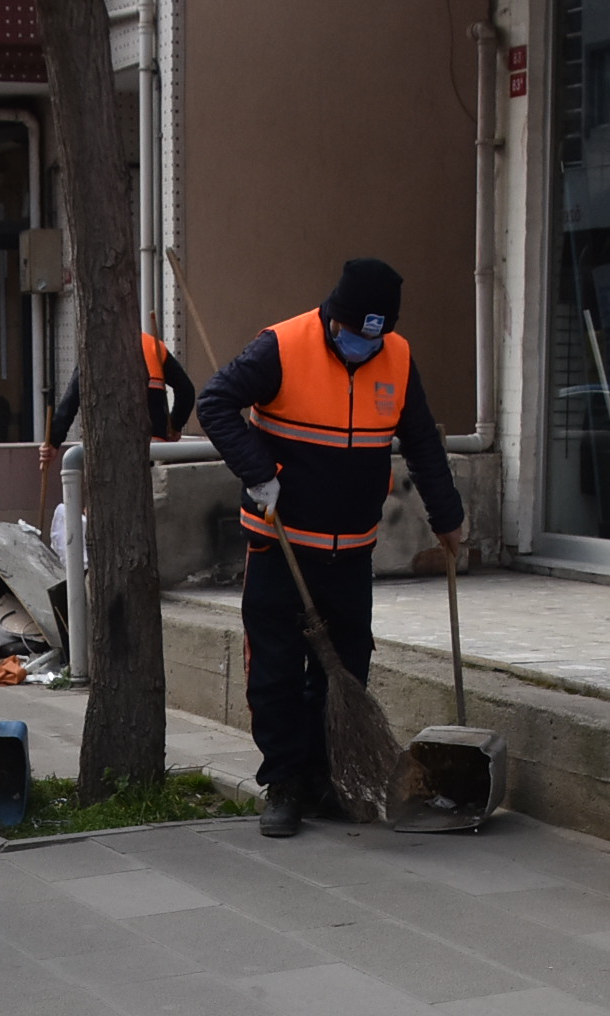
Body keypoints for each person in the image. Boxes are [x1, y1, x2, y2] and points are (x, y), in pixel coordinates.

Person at [198, 258, 465, 840]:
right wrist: (256, 470)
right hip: (280, 545)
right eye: (354, 334)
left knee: (346, 669)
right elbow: (214, 402)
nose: (364, 347)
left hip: (352, 552)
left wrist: (448, 517)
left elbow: (420, 440)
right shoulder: (281, 347)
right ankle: (285, 784)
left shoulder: (396, 355)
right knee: (274, 672)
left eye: (376, 336)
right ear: (332, 317)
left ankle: (326, 776)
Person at [39, 327, 199, 470]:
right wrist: (175, 425)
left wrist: (53, 441)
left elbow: (71, 401)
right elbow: (186, 391)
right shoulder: (151, 344)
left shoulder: (95, 350)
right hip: (153, 442)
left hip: (110, 441)